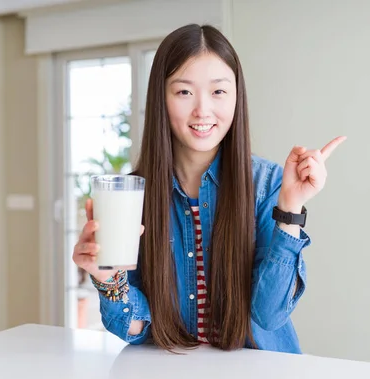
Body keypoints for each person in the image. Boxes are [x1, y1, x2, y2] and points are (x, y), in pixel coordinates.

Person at [72, 23, 346, 354]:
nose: (203, 110)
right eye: (184, 92)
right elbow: (138, 330)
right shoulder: (133, 196)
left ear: (236, 97)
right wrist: (107, 279)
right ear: (162, 98)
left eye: (218, 91)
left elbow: (269, 315)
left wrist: (291, 209)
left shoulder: (266, 183)